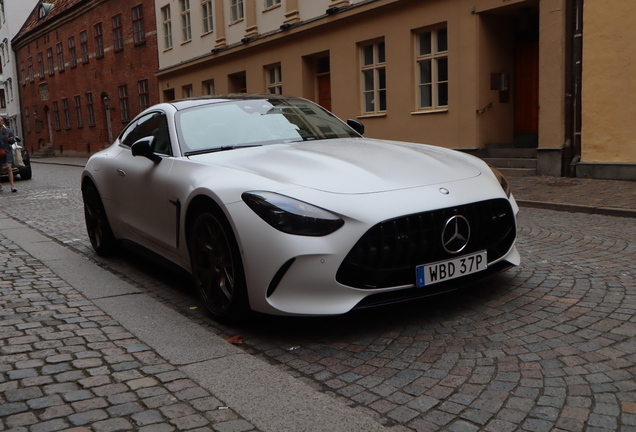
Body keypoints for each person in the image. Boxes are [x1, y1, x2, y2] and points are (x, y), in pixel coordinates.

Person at [0, 116, 17, 193]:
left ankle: (12, 186)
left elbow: (13, 140)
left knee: (9, 169)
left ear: (3, 121)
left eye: (1, 120)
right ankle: (0, 185)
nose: (0, 121)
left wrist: (11, 140)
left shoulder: (8, 131)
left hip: (7, 151)